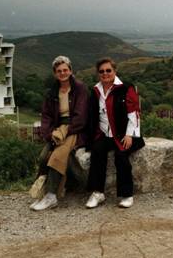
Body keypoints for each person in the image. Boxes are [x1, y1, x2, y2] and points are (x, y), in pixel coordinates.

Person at [30, 56, 89, 211]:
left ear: (70, 70)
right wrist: (49, 135)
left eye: (65, 70)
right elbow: (46, 116)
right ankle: (46, 190)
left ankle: (51, 196)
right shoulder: (52, 92)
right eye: (59, 71)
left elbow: (81, 117)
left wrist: (65, 131)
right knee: (44, 157)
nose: (62, 73)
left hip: (76, 129)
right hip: (57, 131)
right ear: (55, 73)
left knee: (57, 156)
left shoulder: (80, 89)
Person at [86, 57, 145, 209]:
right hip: (105, 135)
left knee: (121, 156)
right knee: (97, 152)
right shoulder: (96, 90)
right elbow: (94, 115)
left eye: (108, 70)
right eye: (101, 71)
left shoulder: (126, 88)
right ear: (98, 73)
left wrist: (130, 134)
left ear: (114, 71)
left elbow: (134, 113)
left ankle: (127, 195)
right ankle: (98, 193)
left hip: (125, 134)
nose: (105, 74)